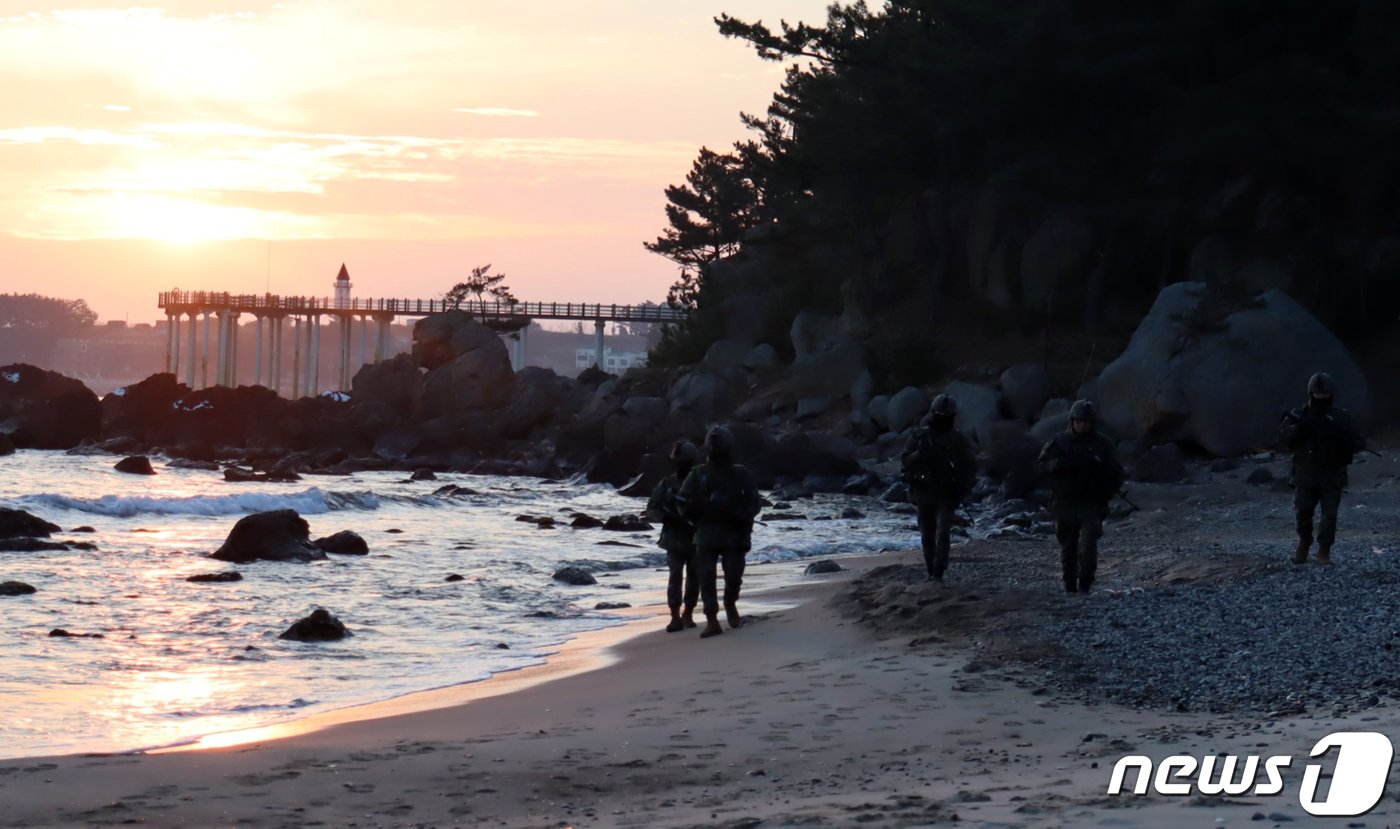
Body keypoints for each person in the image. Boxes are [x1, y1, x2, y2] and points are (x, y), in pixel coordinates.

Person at [678, 425, 762, 639]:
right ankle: (712, 619)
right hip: (706, 534)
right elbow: (683, 502)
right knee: (706, 577)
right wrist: (697, 513)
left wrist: (741, 515)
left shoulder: (740, 473)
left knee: (734, 576)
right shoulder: (698, 474)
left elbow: (755, 502)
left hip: (734, 534)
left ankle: (730, 603)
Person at [1037, 399, 1125, 594]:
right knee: (1068, 546)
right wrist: (1060, 464)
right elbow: (1042, 466)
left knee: (1088, 542)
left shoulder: (1103, 444)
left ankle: (1086, 582)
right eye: (1079, 421)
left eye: (1086, 421)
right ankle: (1069, 585)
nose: (1083, 425)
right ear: (1072, 421)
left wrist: (1106, 492)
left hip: (1091, 501)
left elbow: (1117, 473)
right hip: (1065, 501)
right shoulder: (1059, 442)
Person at [1277, 372, 1365, 564]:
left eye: (1324, 393)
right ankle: (1304, 542)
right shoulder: (1300, 415)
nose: (1321, 397)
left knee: (1329, 515)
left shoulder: (1340, 417)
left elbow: (1358, 441)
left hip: (1332, 473)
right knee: (1303, 512)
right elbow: (1283, 438)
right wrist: (1299, 430)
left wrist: (1341, 440)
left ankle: (1324, 550)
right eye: (1317, 393)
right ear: (1311, 393)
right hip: (1306, 473)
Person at [900, 394, 977, 582]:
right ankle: (930, 570)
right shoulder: (919, 436)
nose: (943, 418)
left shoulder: (958, 440)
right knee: (928, 534)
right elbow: (905, 460)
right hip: (924, 490)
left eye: (947, 414)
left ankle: (938, 571)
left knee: (942, 533)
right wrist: (919, 455)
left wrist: (963, 490)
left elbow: (969, 467)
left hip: (947, 493)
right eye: (940, 414)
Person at [647, 440, 700, 632]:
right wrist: (667, 517)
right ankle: (675, 616)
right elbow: (652, 508)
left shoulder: (700, 482)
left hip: (695, 538)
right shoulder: (667, 484)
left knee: (694, 578)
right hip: (673, 538)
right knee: (675, 576)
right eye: (678, 462)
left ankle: (688, 613)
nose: (680, 465)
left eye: (683, 462)